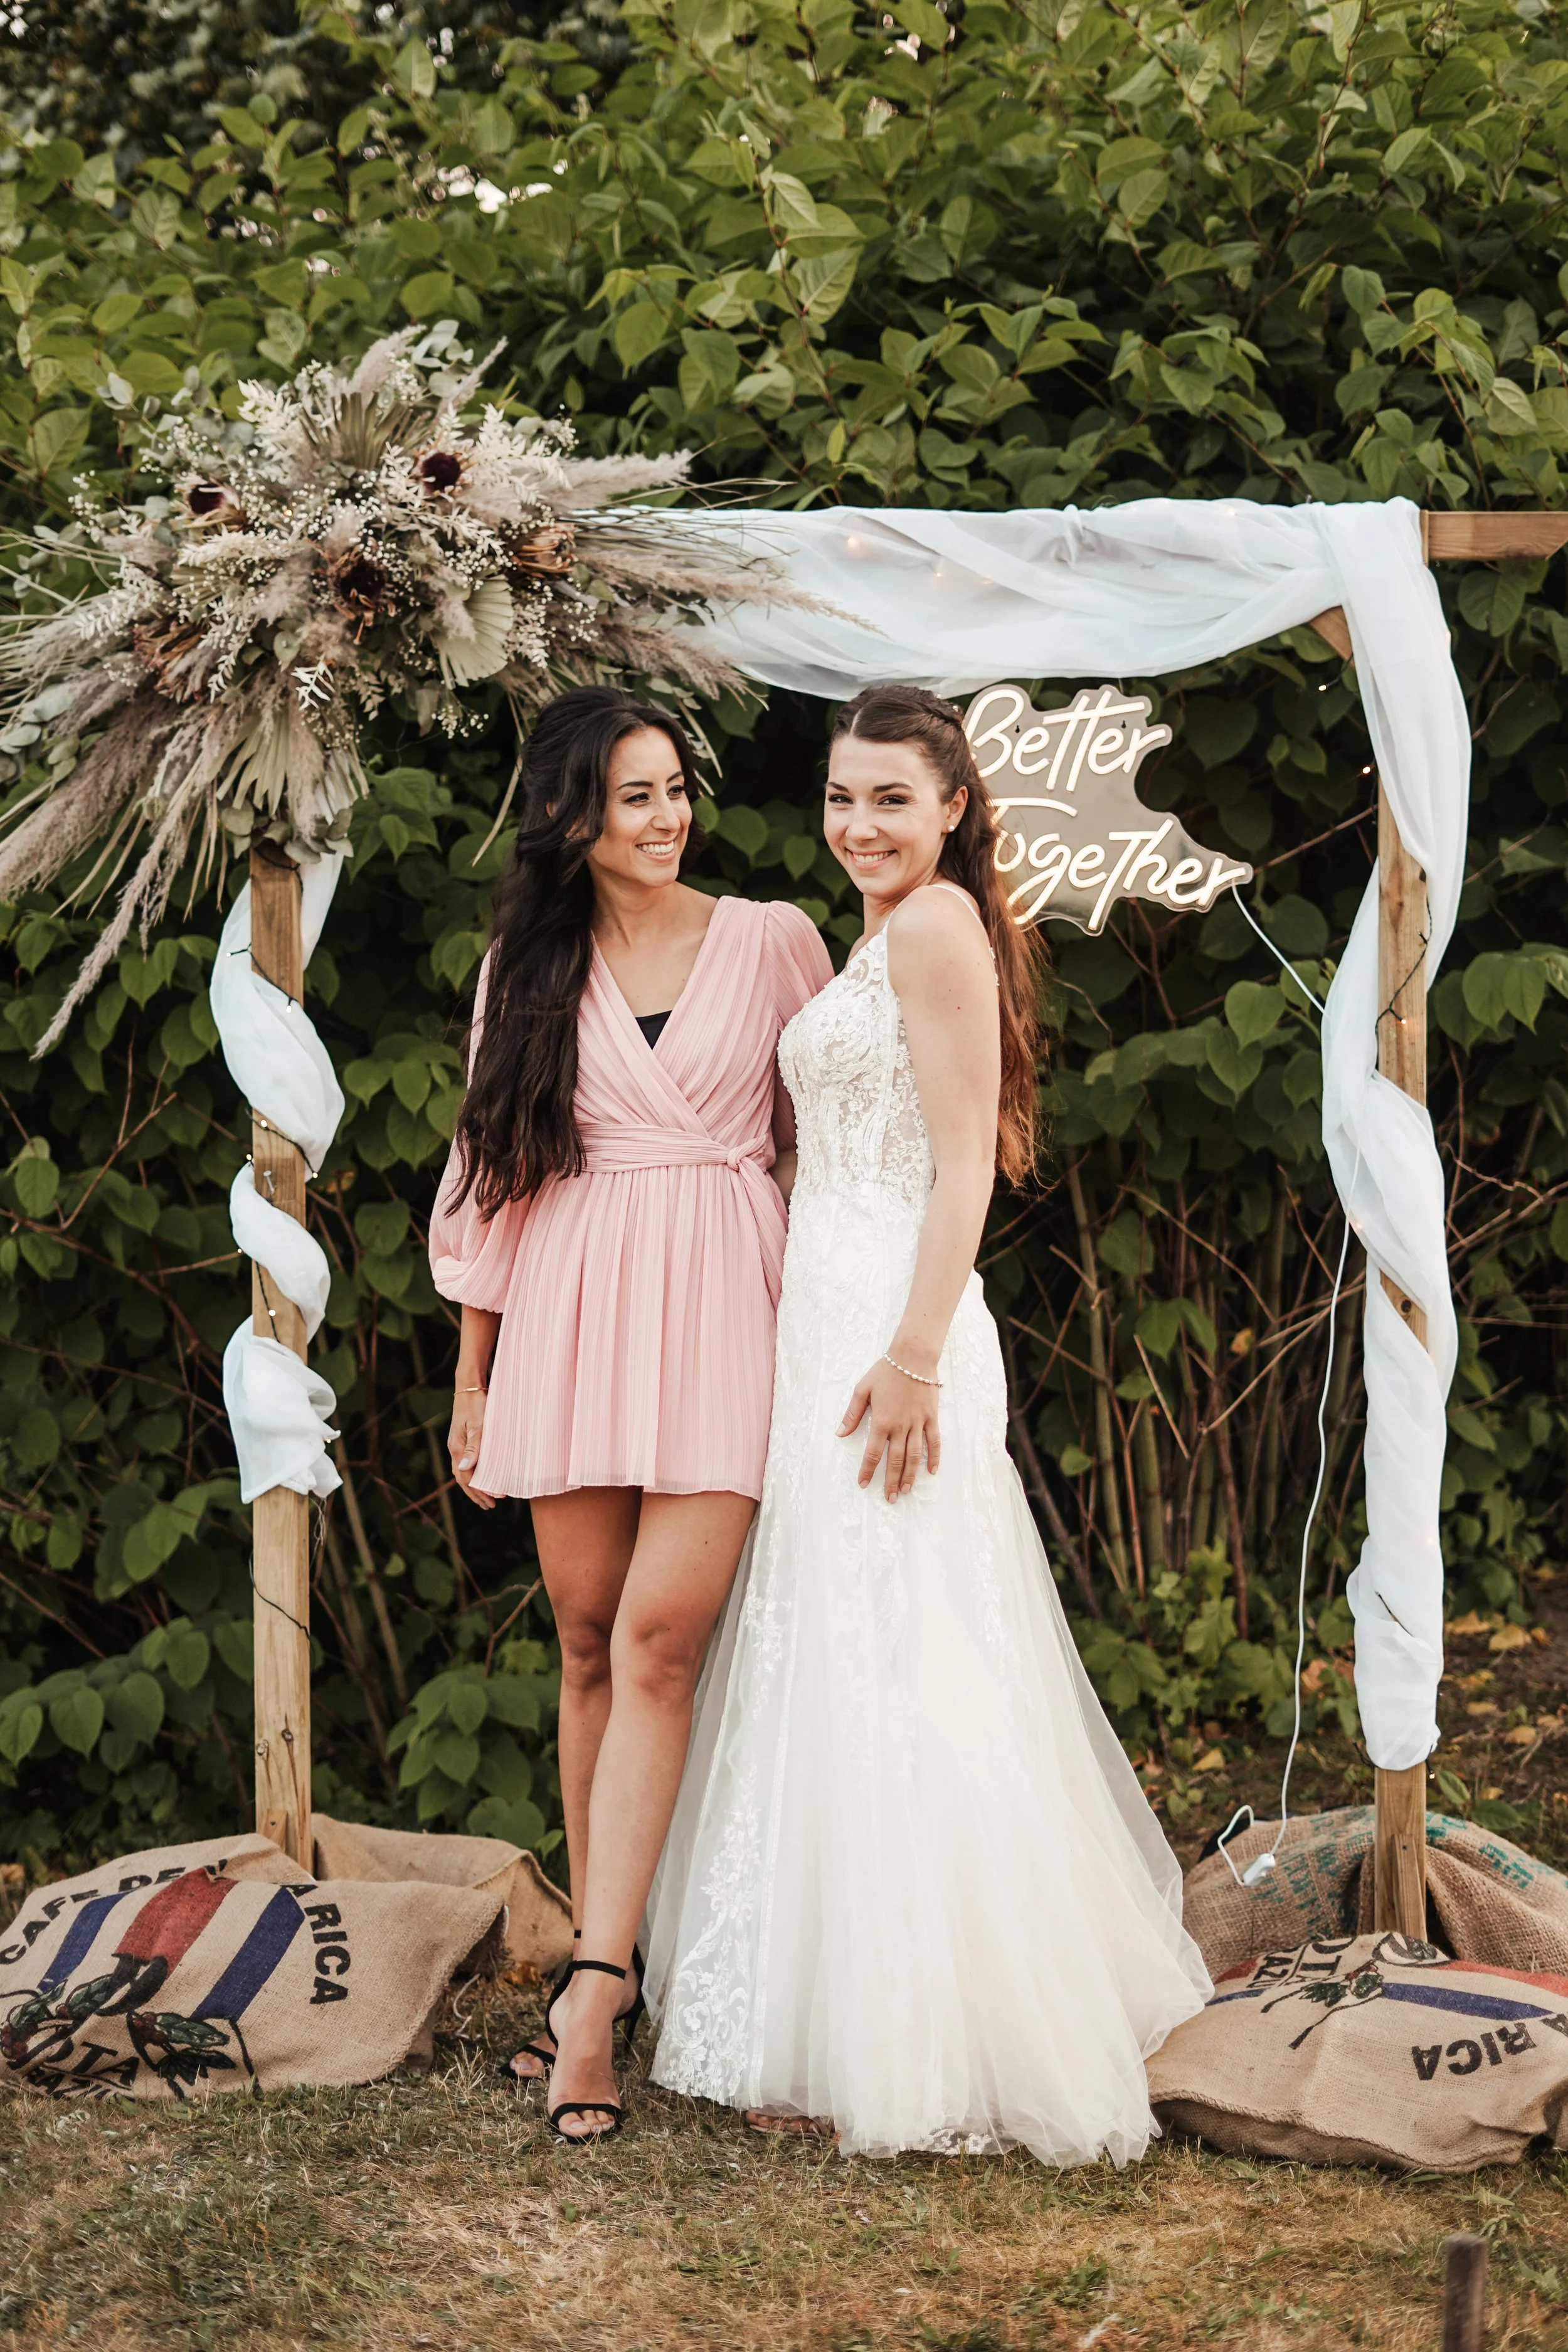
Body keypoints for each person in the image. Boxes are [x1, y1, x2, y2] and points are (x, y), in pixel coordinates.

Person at [644, 684, 1210, 2163]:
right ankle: (835, 2004)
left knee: (909, 1640)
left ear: (952, 806)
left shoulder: (944, 926)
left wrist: (907, 1355)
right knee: (846, 1637)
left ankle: (943, 2015)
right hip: (830, 1312)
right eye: (841, 797)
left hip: (896, 1327)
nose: (858, 825)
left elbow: (964, 1163)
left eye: (889, 798)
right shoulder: (879, 934)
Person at [430, 685, 832, 2141]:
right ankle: (624, 1950)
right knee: (589, 1642)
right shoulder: (525, 968)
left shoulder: (774, 941)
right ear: (571, 820)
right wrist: (474, 1375)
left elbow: (829, 1143)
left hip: (729, 1303)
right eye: (634, 797)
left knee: (665, 1640)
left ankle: (592, 1992)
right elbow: (491, 1170)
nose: (665, 817)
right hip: (574, 1312)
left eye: (674, 790)